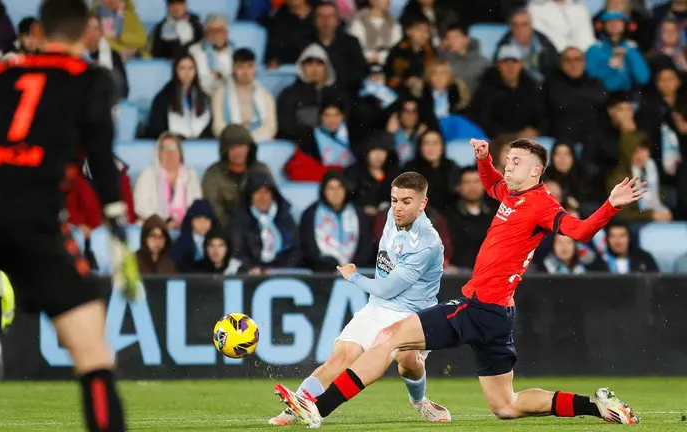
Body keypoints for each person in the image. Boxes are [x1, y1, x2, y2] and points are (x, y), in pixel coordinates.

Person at [273, 137, 645, 427]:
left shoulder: (542, 205)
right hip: (498, 315)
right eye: (507, 159)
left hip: (478, 307)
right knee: (507, 406)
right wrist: (484, 160)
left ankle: (318, 408)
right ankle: (595, 406)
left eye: (515, 162)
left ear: (535, 172)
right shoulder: (512, 195)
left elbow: (578, 233)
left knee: (390, 338)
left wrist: (610, 204)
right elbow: (491, 185)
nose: (507, 165)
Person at [0, 0, 140, 430]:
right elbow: (99, 151)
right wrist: (115, 222)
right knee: (92, 352)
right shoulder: (91, 79)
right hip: (32, 213)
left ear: (36, 32)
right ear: (88, 34)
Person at [268, 172, 451, 426]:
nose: (398, 207)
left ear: (423, 204)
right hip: (377, 308)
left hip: (412, 315)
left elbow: (388, 288)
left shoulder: (427, 244)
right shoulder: (391, 215)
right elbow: (383, 293)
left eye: (406, 201)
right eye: (394, 200)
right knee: (341, 357)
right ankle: (297, 404)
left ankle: (419, 400)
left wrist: (353, 276)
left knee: (409, 363)